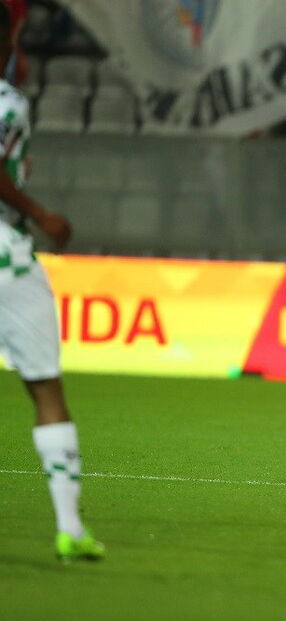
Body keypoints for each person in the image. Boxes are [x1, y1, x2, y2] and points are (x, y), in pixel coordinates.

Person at [0, 4, 103, 562]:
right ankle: (70, 527)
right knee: (45, 390)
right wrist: (42, 215)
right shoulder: (7, 102)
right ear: (10, 38)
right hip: (7, 257)